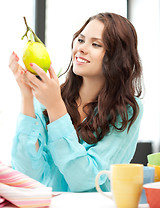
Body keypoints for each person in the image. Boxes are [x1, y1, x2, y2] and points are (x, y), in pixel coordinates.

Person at [9, 12, 143, 192]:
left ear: (116, 58)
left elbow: (86, 181)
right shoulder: (52, 96)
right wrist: (27, 96)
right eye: (80, 40)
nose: (81, 48)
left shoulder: (126, 110)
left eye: (96, 44)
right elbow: (27, 175)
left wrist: (56, 108)